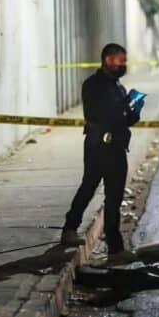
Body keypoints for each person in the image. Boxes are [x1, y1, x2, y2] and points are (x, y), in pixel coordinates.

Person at [61, 43, 145, 264]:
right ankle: (74, 231)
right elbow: (102, 114)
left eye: (124, 60)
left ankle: (113, 248)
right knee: (90, 187)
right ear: (107, 59)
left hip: (116, 146)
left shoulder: (118, 87)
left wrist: (134, 111)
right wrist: (123, 108)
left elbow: (124, 119)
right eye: (120, 60)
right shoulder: (93, 85)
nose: (123, 64)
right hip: (99, 145)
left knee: (113, 197)